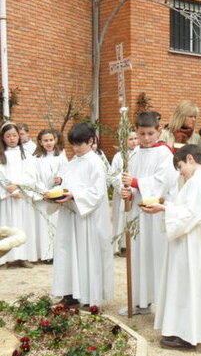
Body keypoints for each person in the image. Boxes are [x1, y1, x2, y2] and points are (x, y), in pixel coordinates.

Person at [142, 145, 201, 350]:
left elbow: (191, 214)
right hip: (187, 242)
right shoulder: (197, 179)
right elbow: (186, 209)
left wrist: (165, 208)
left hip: (190, 244)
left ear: (190, 159)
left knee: (187, 285)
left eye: (180, 166)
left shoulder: (199, 181)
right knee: (183, 285)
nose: (180, 172)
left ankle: (186, 335)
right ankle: (182, 330)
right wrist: (167, 205)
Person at [120, 112, 179, 314]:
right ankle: (140, 300)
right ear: (135, 131)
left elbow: (164, 182)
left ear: (159, 131)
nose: (146, 138)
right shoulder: (134, 153)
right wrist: (127, 192)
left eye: (150, 133)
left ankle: (161, 302)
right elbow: (130, 183)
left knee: (156, 255)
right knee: (139, 255)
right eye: (142, 133)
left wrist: (135, 183)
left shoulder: (165, 154)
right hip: (138, 213)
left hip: (156, 214)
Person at [52, 122, 113, 308]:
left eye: (80, 144)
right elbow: (66, 183)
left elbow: (97, 193)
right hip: (70, 217)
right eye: (73, 145)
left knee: (87, 255)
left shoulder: (95, 163)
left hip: (87, 219)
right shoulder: (73, 162)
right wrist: (57, 192)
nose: (76, 148)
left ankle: (89, 296)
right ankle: (70, 292)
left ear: (91, 141)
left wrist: (74, 195)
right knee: (67, 253)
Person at [0, 122, 38, 268]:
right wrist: (10, 188)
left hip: (22, 196)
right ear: (3, 138)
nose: (12, 139)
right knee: (7, 227)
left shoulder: (26, 155)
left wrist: (18, 186)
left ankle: (23, 256)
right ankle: (4, 258)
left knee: (23, 226)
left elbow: (31, 174)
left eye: (14, 135)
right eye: (8, 136)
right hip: (7, 197)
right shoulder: (1, 155)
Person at [33, 129, 68, 264]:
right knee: (45, 226)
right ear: (40, 142)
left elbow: (66, 171)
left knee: (57, 225)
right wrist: (44, 191)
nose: (48, 143)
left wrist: (61, 180)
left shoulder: (61, 155)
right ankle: (47, 255)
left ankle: (59, 254)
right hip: (44, 196)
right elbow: (34, 177)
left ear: (56, 140)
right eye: (45, 140)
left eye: (51, 140)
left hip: (57, 195)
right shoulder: (36, 158)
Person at [110, 131, 139, 256]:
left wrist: (132, 186)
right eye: (130, 139)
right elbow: (113, 174)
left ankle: (134, 244)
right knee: (122, 217)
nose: (133, 141)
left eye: (135, 138)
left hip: (135, 192)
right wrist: (122, 186)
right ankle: (122, 245)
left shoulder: (140, 154)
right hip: (122, 192)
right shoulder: (119, 156)